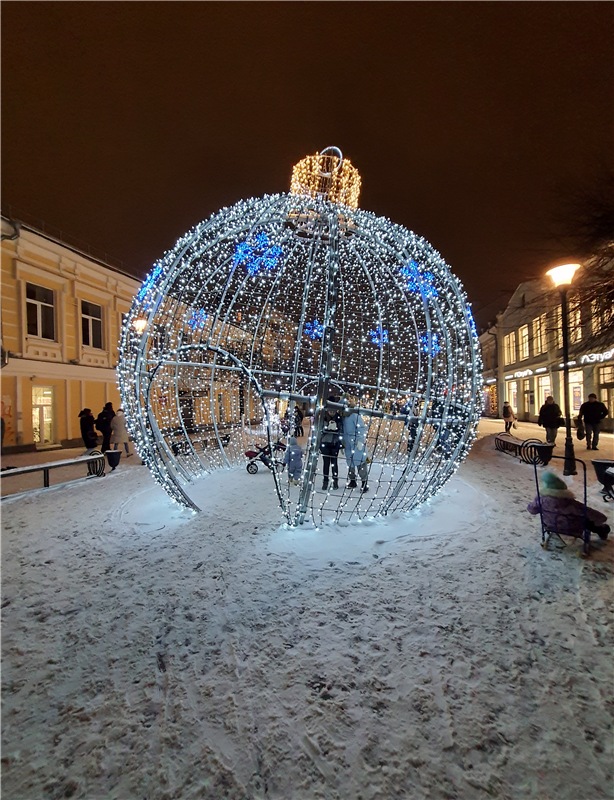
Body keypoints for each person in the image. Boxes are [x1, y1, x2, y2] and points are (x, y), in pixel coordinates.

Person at [527, 471, 610, 540]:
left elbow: (532, 510)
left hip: (550, 524)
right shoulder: (569, 502)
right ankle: (601, 530)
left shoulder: (541, 499)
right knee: (586, 519)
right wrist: (601, 517)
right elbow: (588, 512)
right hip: (570, 526)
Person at [342, 395, 369, 492]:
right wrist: (343, 441)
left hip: (357, 443)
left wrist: (360, 440)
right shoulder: (343, 417)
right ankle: (352, 480)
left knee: (361, 462)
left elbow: (361, 428)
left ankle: (364, 482)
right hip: (348, 444)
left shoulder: (354, 415)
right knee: (350, 463)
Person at [319, 398, 343, 490]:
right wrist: (326, 429)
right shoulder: (323, 417)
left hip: (334, 444)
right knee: (326, 463)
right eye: (330, 410)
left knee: (334, 463)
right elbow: (318, 430)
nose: (332, 412)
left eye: (334, 410)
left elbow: (341, 431)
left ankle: (335, 481)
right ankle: (325, 481)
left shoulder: (338, 418)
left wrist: (337, 430)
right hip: (325, 443)